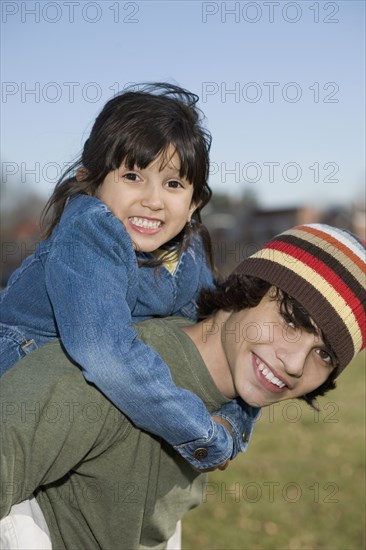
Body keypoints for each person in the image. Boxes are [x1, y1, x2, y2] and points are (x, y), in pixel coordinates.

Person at [1, 223, 364, 549]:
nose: (296, 364)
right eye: (290, 321)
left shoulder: (219, 404)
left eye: (324, 355)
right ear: (250, 288)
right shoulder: (109, 375)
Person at [0, 82, 249, 471]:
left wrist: (231, 427)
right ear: (92, 180)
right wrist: (202, 435)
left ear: (194, 202)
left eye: (173, 184)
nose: (152, 199)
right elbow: (105, 351)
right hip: (15, 388)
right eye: (133, 176)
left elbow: (224, 341)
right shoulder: (90, 231)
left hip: (79, 415)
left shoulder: (188, 251)